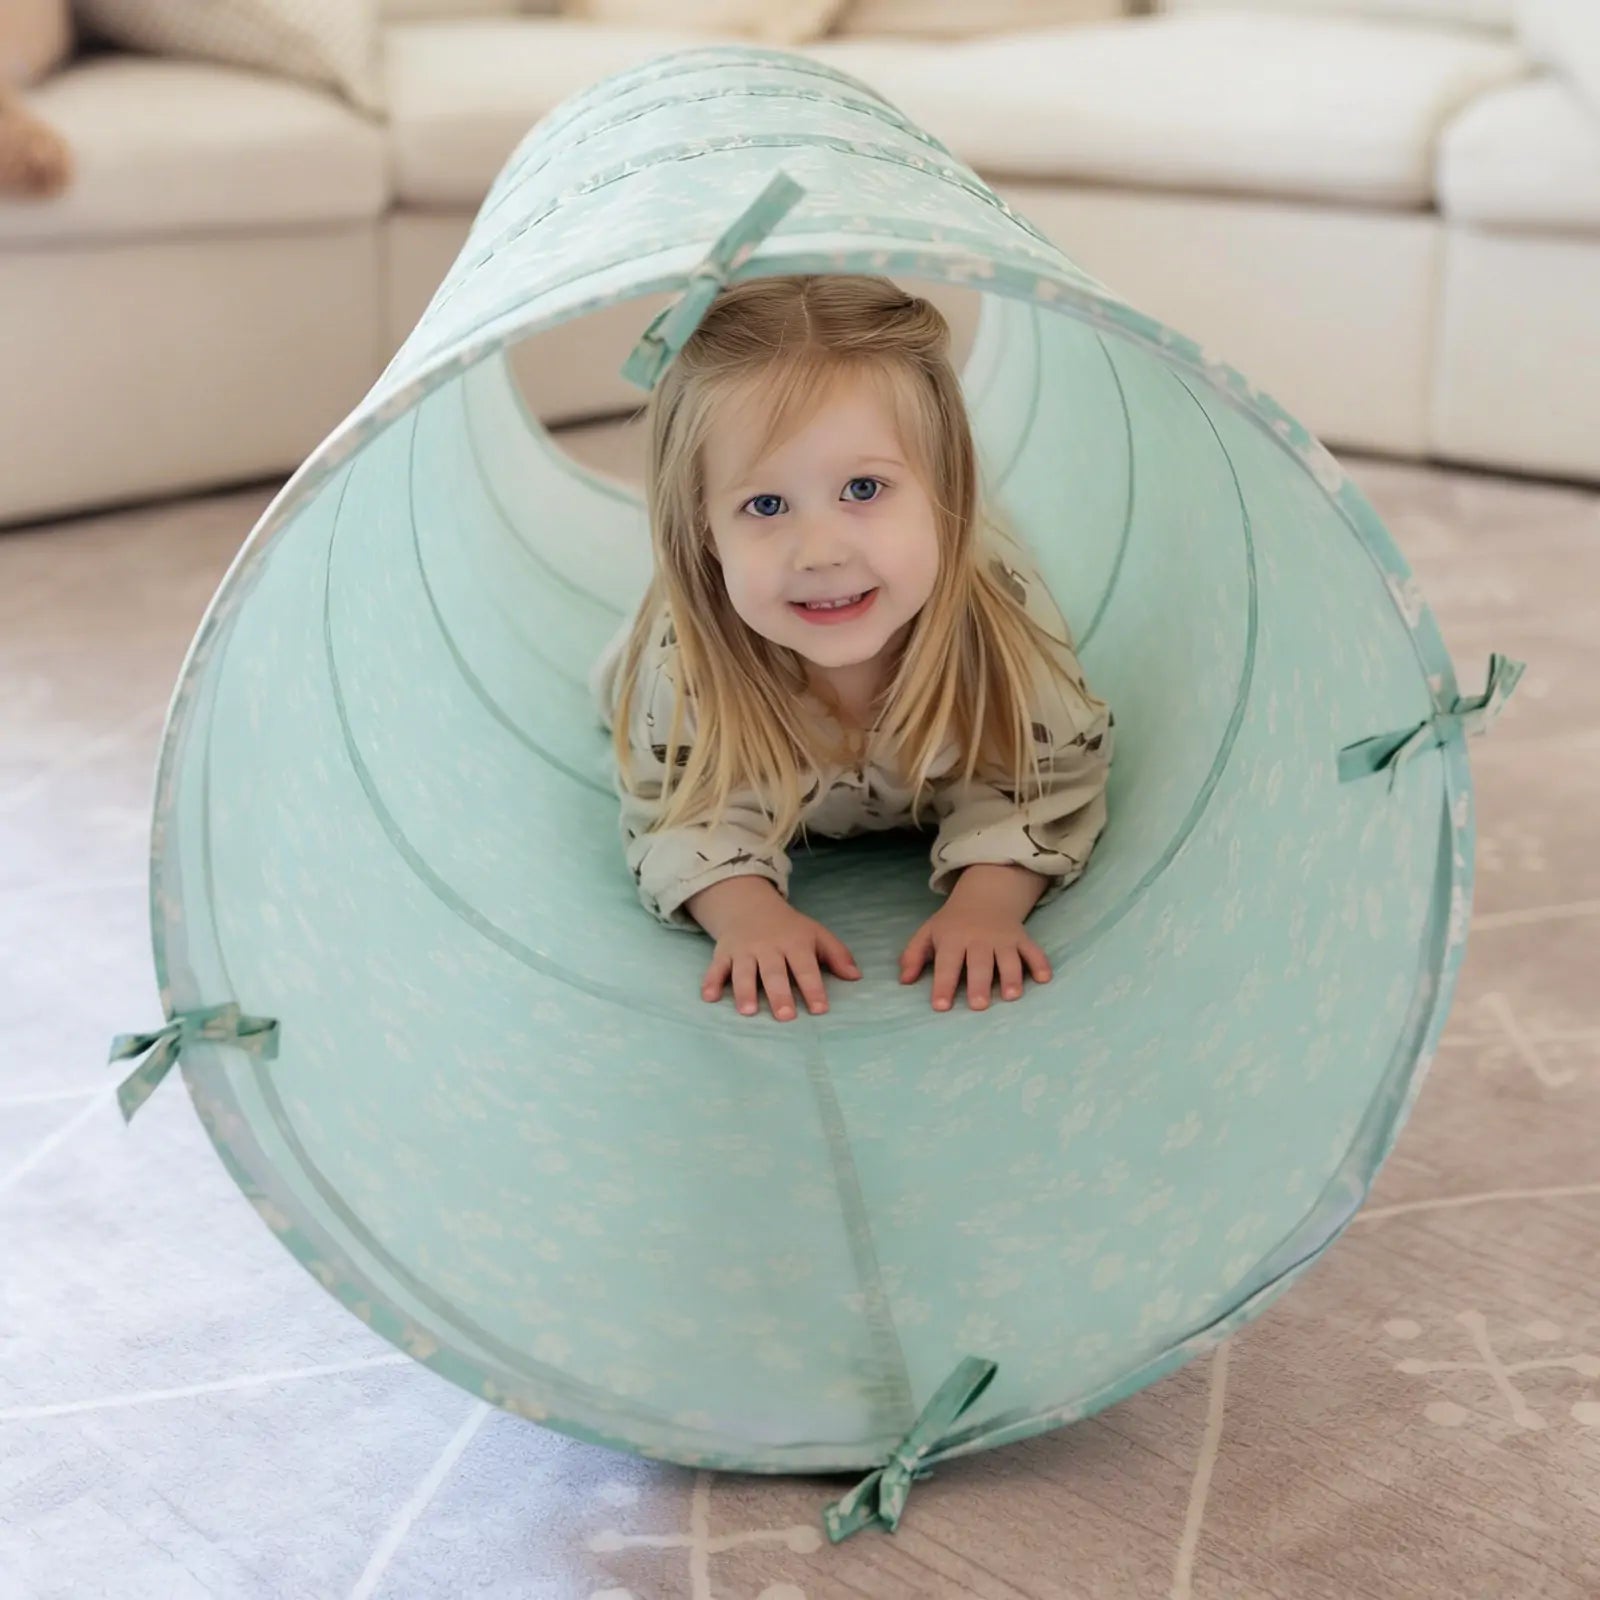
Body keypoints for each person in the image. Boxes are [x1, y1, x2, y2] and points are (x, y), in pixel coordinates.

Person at [589, 273, 1114, 1021]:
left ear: (948, 490)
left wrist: (988, 904)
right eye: (765, 504)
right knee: (622, 685)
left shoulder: (1001, 633)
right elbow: (677, 811)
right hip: (708, 633)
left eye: (864, 489)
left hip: (957, 602)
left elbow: (1051, 779)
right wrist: (746, 915)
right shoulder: (687, 665)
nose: (820, 551)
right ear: (703, 528)